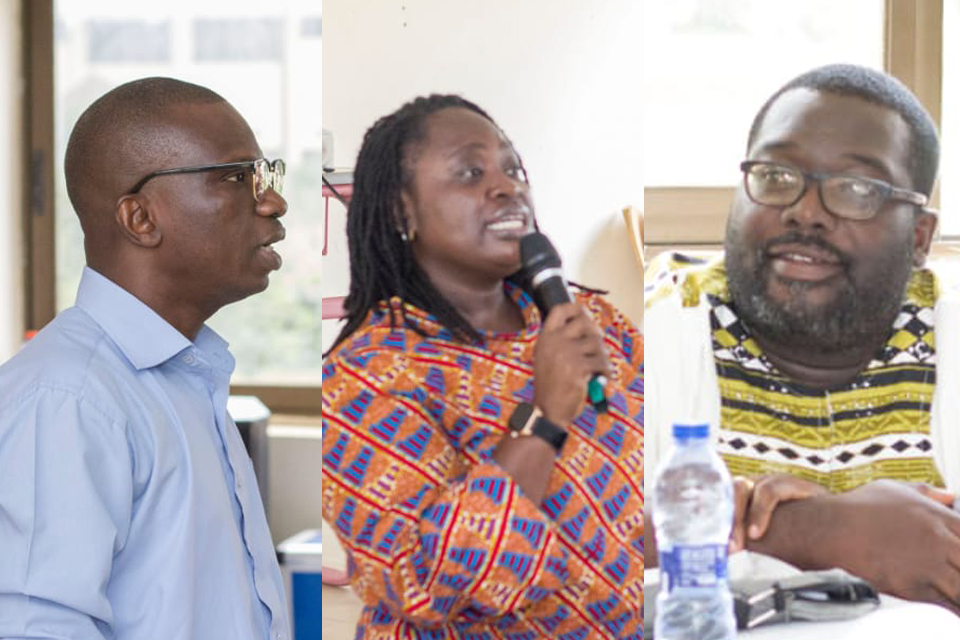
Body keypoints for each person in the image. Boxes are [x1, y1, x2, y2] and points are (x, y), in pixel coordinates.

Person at [321, 94, 644, 639]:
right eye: (471, 172)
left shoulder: (592, 322)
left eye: (514, 168)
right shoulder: (364, 378)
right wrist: (545, 416)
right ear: (403, 209)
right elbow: (426, 586)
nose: (507, 186)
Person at [645, 63, 960, 613]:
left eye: (857, 189)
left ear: (919, 237)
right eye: (776, 176)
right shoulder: (658, 335)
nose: (805, 212)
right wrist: (806, 532)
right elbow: (576, 548)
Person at [0, 78, 291, 639]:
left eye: (264, 174)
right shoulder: (68, 400)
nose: (272, 201)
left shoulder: (187, 378)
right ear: (141, 219)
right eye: (237, 178)